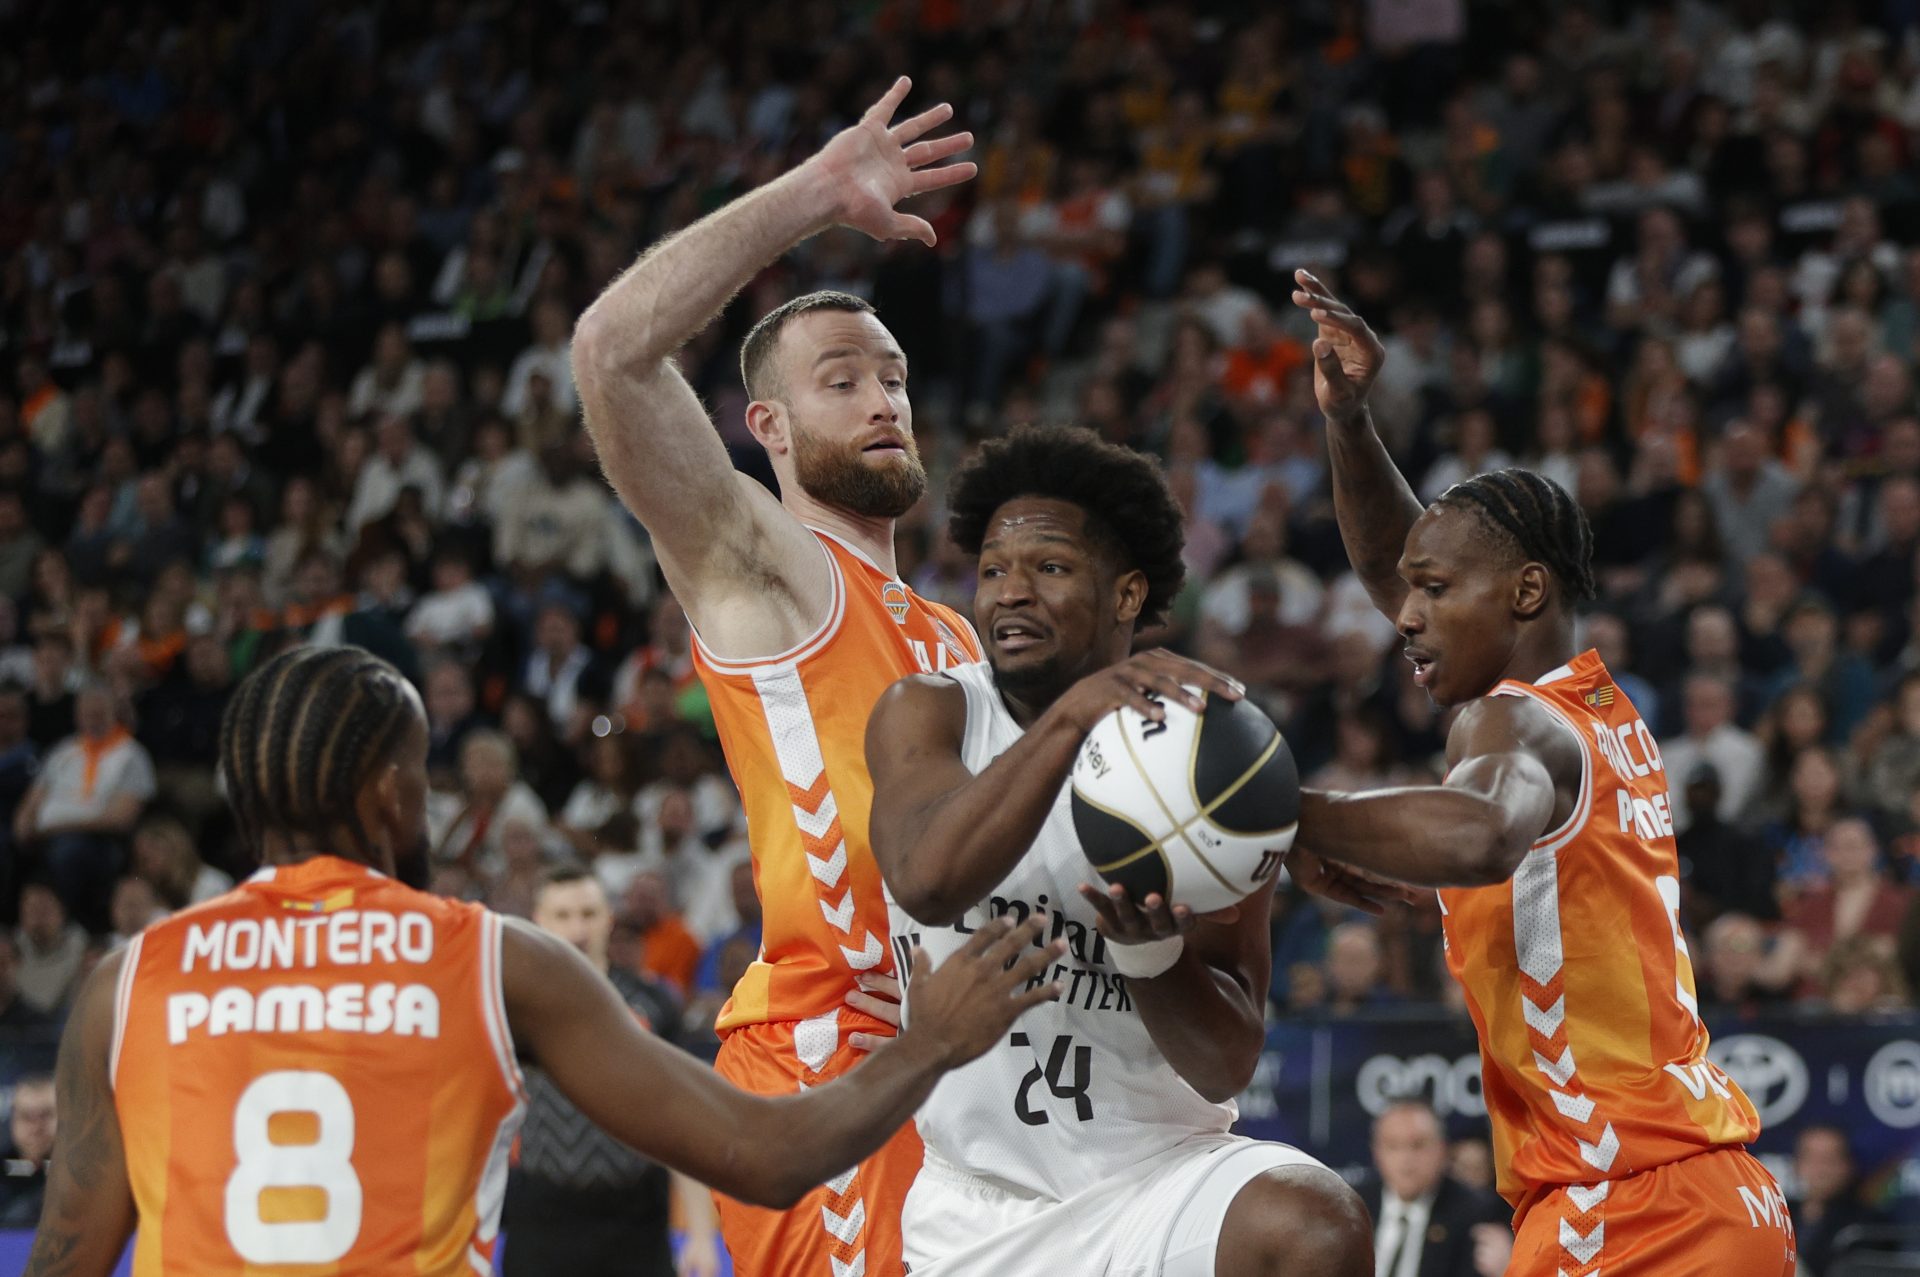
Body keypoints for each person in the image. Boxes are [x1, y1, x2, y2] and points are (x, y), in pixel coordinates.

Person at [23, 645, 1062, 1276]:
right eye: (419, 775)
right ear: (388, 793)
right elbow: (765, 1153)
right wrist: (928, 1041)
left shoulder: (127, 980)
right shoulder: (489, 958)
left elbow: (67, 1257)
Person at [1284, 271, 1794, 1276]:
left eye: (1436, 591)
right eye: (1412, 592)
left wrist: (1271, 807)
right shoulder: (1593, 707)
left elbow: (1479, 833)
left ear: (1524, 592)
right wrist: (1348, 421)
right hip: (1710, 1192)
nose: (1405, 616)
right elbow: (1401, 565)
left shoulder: (1513, 718)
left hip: (1629, 1206)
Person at [571, 75, 984, 1276]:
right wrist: (815, 194)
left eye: (893, 377)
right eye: (841, 380)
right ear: (769, 428)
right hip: (826, 1058)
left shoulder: (955, 635)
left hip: (955, 1066)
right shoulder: (769, 568)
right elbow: (610, 354)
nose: (882, 400)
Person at [865, 426, 1375, 1276]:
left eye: (1050, 567)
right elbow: (926, 879)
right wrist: (1074, 715)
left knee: (1315, 1224)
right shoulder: (932, 710)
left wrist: (1152, 955)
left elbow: (1224, 1064)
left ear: (1128, 592)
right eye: (992, 570)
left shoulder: (1212, 753)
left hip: (1157, 1181)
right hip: (976, 1206)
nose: (1011, 593)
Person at [502, 863, 720, 1277]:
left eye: (588, 914)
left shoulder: (652, 1004)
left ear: (609, 918)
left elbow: (681, 1120)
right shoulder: (512, 1008)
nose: (577, 929)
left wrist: (701, 1233)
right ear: (538, 921)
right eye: (563, 915)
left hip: (636, 1221)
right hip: (540, 1219)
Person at [1362, 1099, 1509, 1277]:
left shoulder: (1476, 1212)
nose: (1405, 1159)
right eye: (1393, 1146)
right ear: (1376, 1152)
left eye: (1418, 1145)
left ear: (1441, 1149)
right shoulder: (1354, 1207)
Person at [0, 1075, 55, 1227]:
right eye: (26, 1117)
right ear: (13, 1120)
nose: (36, 1128)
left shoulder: (84, 1173)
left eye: (46, 1115)